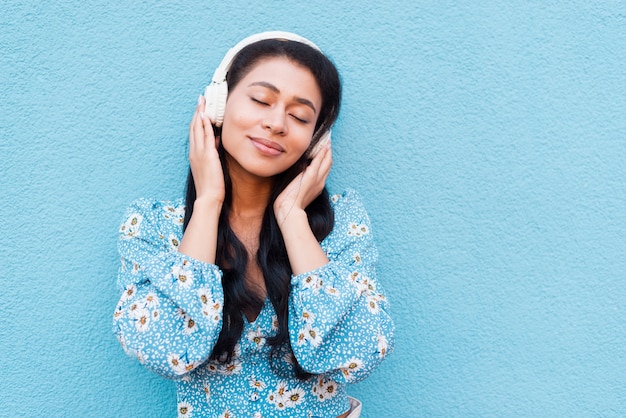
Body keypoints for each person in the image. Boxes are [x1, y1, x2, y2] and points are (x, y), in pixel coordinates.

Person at [113, 31, 394, 418]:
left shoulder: (342, 224)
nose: (277, 123)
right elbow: (167, 351)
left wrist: (293, 217)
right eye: (261, 100)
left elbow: (360, 352)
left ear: (315, 139)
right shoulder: (154, 226)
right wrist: (208, 203)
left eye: (299, 116)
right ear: (218, 106)